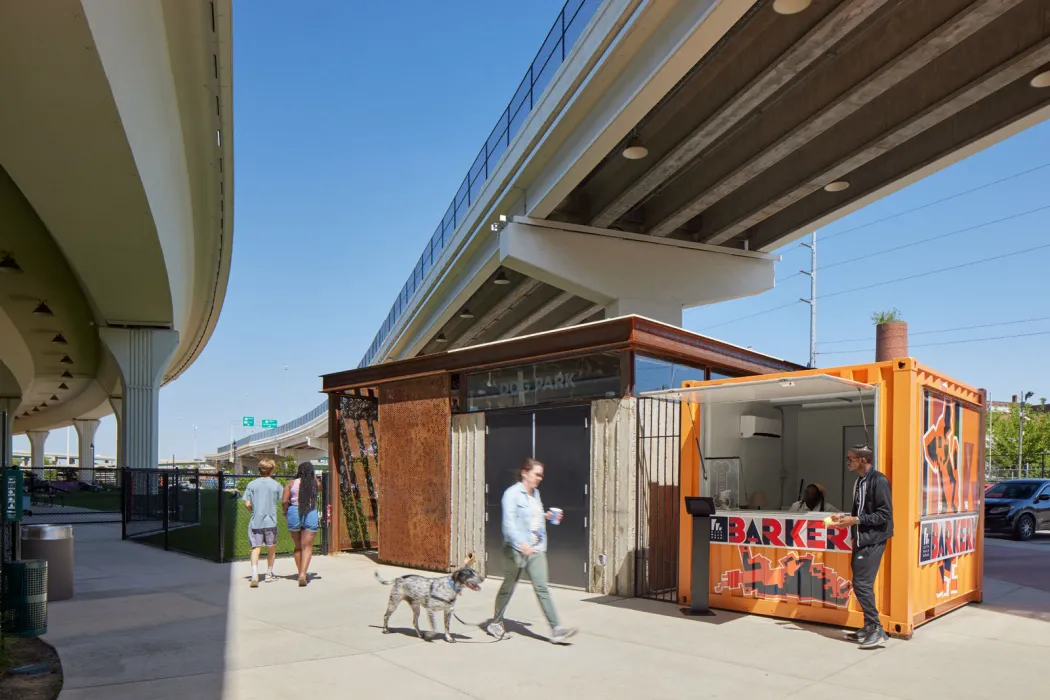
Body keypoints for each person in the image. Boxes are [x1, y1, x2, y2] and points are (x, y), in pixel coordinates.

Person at [486, 458, 577, 645]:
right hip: (515, 549)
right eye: (537, 474)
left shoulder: (536, 494)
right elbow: (508, 524)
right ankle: (495, 622)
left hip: (537, 548)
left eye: (541, 475)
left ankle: (556, 629)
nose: (540, 478)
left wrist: (547, 516)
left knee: (542, 587)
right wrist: (521, 544)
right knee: (509, 585)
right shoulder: (511, 494)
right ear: (524, 473)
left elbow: (533, 518)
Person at [831, 444, 893, 649]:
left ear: (863, 460)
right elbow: (862, 512)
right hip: (860, 539)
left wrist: (855, 521)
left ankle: (876, 628)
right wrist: (847, 518)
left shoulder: (879, 480)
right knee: (860, 584)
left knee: (862, 584)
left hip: (872, 539)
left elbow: (885, 515)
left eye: (851, 458)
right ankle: (868, 627)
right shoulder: (860, 482)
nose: (848, 461)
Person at [243, 458, 283, 588]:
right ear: (272, 470)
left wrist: (252, 511)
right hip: (270, 521)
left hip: (256, 521)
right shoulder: (276, 485)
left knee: (256, 548)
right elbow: (281, 499)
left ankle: (254, 573)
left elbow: (247, 503)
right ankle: (269, 573)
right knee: (271, 547)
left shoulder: (252, 484)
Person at [283, 461, 319, 587]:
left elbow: (284, 501)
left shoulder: (291, 483)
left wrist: (284, 513)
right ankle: (303, 573)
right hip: (310, 511)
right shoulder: (315, 483)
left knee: (298, 546)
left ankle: (300, 573)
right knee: (307, 546)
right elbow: (320, 489)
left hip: (294, 512)